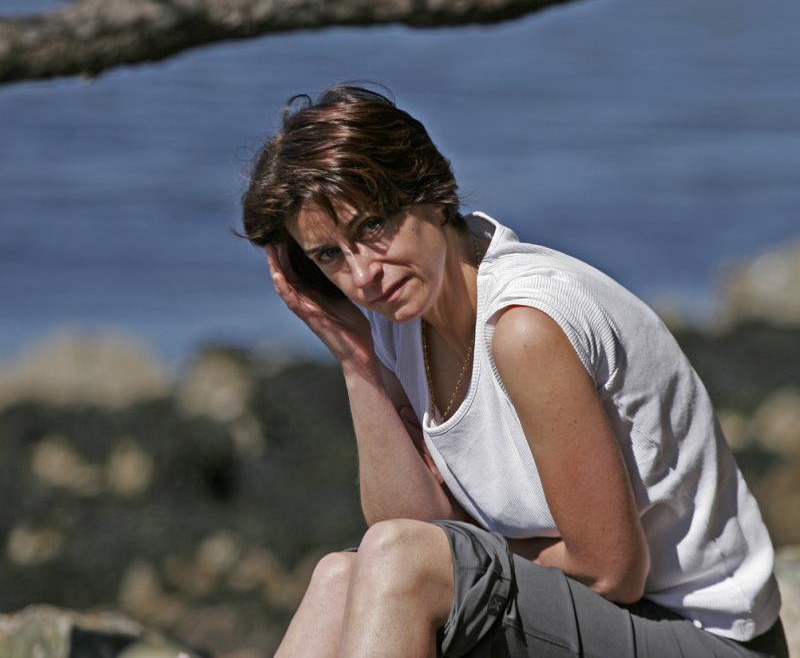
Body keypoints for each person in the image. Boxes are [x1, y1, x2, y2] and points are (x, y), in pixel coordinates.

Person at [241, 85, 788, 658]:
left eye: (372, 226)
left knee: (405, 564)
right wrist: (357, 364)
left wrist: (460, 561)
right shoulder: (402, 312)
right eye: (329, 255)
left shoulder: (525, 325)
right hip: (602, 623)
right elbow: (406, 528)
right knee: (339, 576)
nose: (362, 275)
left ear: (429, 194)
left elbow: (610, 572)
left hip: (709, 639)